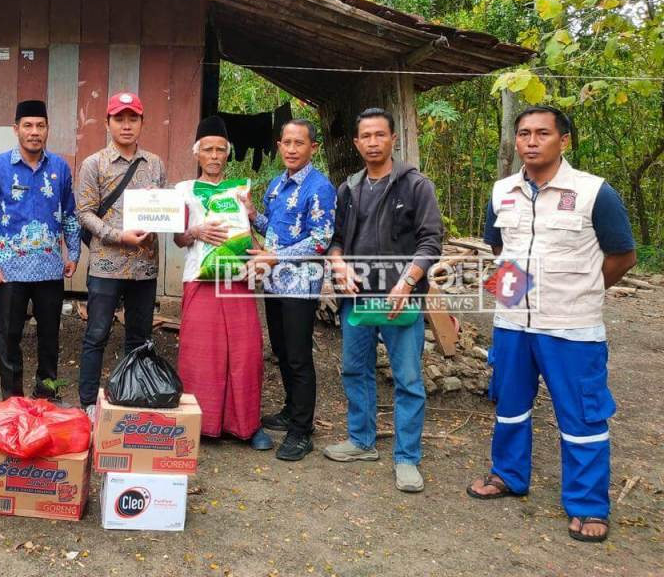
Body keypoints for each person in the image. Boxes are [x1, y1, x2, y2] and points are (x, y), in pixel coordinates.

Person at [467, 106, 636, 543]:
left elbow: (622, 255)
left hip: (571, 328)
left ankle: (587, 505)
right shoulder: (502, 190)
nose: (531, 141)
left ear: (564, 140)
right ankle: (508, 476)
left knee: (581, 415)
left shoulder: (593, 192)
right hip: (512, 324)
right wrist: (509, 296)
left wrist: (580, 293)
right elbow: (502, 250)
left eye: (542, 133)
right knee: (508, 405)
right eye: (523, 133)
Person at [325, 108, 443, 493]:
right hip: (357, 298)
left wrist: (407, 283)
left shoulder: (415, 185)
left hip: (399, 300)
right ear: (357, 143)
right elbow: (336, 239)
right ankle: (361, 441)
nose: (373, 143)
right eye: (366, 136)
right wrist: (339, 264)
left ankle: (407, 457)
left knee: (407, 378)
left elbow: (431, 242)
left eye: (380, 135)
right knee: (354, 370)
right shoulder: (349, 188)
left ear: (394, 139)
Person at [174, 116, 272, 450]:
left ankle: (247, 424)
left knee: (246, 350)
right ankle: (200, 422)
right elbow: (177, 238)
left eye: (220, 150)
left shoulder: (240, 190)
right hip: (199, 277)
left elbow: (251, 235)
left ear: (227, 154)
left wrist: (252, 213)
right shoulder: (183, 191)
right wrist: (196, 232)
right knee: (201, 351)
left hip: (237, 277)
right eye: (207, 150)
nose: (214, 156)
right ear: (197, 153)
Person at [241, 118, 336, 461]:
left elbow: (321, 240)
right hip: (274, 282)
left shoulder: (320, 187)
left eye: (300, 143)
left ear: (313, 148)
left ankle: (301, 430)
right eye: (287, 142)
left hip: (299, 285)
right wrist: (253, 214)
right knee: (281, 350)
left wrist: (274, 256)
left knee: (297, 356)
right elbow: (274, 230)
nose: (292, 149)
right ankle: (290, 409)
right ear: (279, 145)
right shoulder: (276, 185)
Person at [0, 100, 81, 400]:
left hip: (50, 269)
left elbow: (70, 213)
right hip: (9, 271)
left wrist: (73, 253)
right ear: (16, 129)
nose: (34, 132)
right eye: (28, 125)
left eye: (40, 126)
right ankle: (13, 399)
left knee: (50, 337)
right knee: (9, 337)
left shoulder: (59, 166)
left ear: (47, 129)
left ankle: (47, 394)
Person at [75, 91, 167, 418]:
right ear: (107, 123)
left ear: (142, 122)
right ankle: (88, 400)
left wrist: (162, 210)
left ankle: (135, 394)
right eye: (119, 119)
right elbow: (84, 213)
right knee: (96, 334)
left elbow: (163, 214)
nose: (126, 126)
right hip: (106, 265)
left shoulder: (154, 163)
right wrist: (119, 236)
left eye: (133, 119)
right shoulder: (93, 164)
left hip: (144, 267)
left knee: (139, 336)